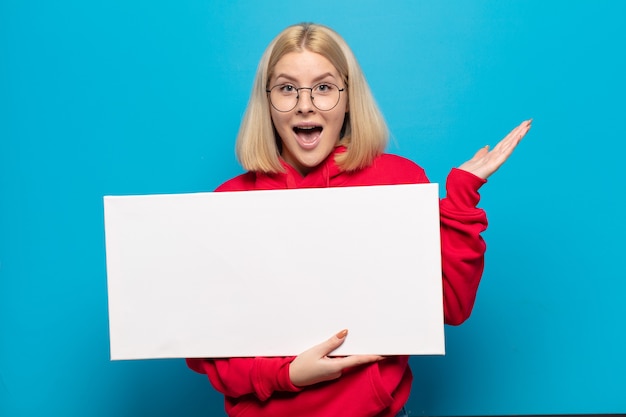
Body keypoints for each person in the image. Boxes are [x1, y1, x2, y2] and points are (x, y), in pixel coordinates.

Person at [186, 22, 532, 417]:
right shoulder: (229, 202)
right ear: (267, 102)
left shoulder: (398, 181)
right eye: (286, 88)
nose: (305, 104)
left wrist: (460, 199)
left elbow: (450, 307)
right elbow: (207, 353)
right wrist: (287, 375)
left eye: (323, 87)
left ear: (348, 97)